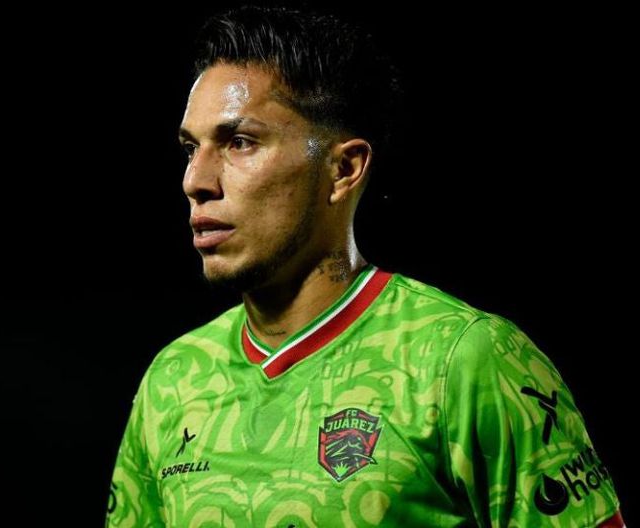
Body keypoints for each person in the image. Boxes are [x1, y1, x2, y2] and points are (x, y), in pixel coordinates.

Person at [105, 5, 623, 527]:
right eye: (190, 149)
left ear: (343, 169)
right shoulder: (173, 378)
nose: (195, 180)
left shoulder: (464, 360)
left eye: (239, 142)